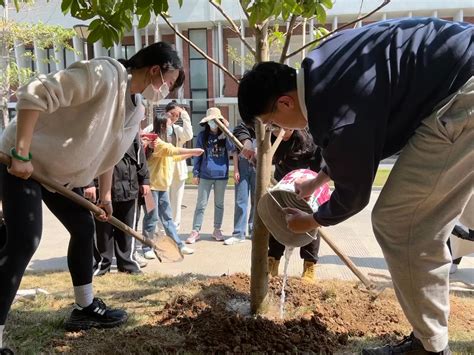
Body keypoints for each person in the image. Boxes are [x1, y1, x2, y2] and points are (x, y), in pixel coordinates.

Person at [237, 17, 472, 354]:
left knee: (401, 222)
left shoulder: (333, 107)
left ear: (285, 103)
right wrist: (319, 180)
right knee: (427, 219)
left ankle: (430, 347)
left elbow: (354, 193)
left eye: (273, 122)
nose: (277, 128)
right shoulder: (323, 64)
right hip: (457, 78)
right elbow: (353, 141)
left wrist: (314, 220)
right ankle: (426, 340)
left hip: (463, 95)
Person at [0, 41, 184, 352]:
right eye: (169, 83)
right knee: (24, 240)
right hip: (23, 164)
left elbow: (109, 154)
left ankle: (84, 309)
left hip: (58, 176)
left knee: (84, 229)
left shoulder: (136, 106)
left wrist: (106, 196)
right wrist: (20, 152)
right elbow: (35, 92)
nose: (168, 91)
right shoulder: (104, 73)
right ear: (155, 70)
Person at [141, 112, 203, 258]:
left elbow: (173, 157)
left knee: (168, 219)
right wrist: (193, 151)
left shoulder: (163, 141)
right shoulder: (155, 141)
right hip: (150, 188)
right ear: (162, 125)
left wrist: (192, 155)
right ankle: (147, 247)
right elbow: (171, 151)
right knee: (151, 218)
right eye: (169, 124)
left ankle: (179, 245)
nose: (171, 127)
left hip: (162, 187)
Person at [268, 128, 323, 283]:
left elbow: (320, 166)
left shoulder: (310, 138)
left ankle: (309, 266)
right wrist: (248, 145)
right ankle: (272, 261)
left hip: (307, 184)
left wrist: (311, 185)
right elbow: (244, 128)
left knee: (311, 225)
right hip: (283, 184)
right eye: (274, 129)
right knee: (278, 221)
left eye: (281, 129)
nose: (277, 132)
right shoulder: (272, 135)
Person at [91, 136, 150, 276]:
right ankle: (102, 264)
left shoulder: (132, 131)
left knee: (127, 230)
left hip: (129, 188)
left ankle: (127, 263)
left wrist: (145, 180)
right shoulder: (101, 129)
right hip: (102, 190)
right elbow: (90, 160)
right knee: (102, 232)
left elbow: (140, 156)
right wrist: (90, 184)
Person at [186, 107, 234, 244]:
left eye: (216, 121)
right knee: (201, 204)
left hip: (222, 175)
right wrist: (196, 173)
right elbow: (198, 156)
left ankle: (217, 229)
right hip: (205, 175)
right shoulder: (202, 136)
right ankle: (195, 231)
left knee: (219, 204)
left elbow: (232, 149)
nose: (213, 124)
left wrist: (227, 130)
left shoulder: (225, 135)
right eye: (211, 121)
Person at [224, 121, 257, 245]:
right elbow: (235, 152)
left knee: (257, 201)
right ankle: (238, 233)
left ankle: (253, 230)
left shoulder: (267, 128)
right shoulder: (243, 127)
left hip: (257, 167)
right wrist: (236, 169)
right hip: (242, 167)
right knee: (240, 200)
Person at [164, 101, 193, 231]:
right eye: (172, 114)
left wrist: (184, 115)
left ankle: (174, 229)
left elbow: (188, 135)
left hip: (177, 170)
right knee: (164, 202)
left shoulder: (177, 130)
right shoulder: (155, 127)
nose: (174, 118)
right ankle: (162, 229)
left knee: (176, 202)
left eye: (176, 115)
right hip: (162, 170)